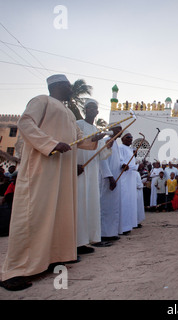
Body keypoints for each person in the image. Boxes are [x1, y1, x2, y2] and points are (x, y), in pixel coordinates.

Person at [0, 74, 100, 291]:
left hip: (62, 172)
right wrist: (52, 143)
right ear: (57, 86)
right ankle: (14, 271)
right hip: (41, 168)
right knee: (33, 215)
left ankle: (53, 258)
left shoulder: (69, 114)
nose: (70, 88)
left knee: (59, 214)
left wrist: (99, 139)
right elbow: (25, 123)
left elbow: (80, 140)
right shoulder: (41, 101)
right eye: (67, 85)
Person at [76, 99, 112, 255]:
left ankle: (87, 239)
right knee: (79, 205)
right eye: (89, 108)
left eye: (95, 109)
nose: (92, 110)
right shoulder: (78, 124)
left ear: (97, 112)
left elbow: (101, 154)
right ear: (85, 110)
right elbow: (74, 143)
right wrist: (73, 165)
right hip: (79, 169)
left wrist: (109, 142)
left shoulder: (96, 129)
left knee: (91, 204)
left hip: (93, 172)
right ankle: (76, 241)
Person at [99, 124, 123, 242]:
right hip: (107, 180)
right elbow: (102, 160)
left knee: (113, 207)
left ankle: (112, 232)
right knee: (105, 207)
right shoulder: (105, 141)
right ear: (111, 130)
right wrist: (109, 177)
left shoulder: (116, 144)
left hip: (115, 178)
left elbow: (117, 160)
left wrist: (123, 165)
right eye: (118, 128)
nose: (120, 130)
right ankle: (103, 233)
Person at [119, 132, 138, 235]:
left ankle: (129, 224)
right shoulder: (120, 148)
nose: (130, 139)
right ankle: (123, 227)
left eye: (131, 137)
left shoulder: (130, 149)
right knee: (125, 201)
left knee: (131, 201)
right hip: (125, 177)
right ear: (122, 139)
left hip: (131, 177)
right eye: (128, 137)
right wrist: (123, 165)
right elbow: (121, 162)